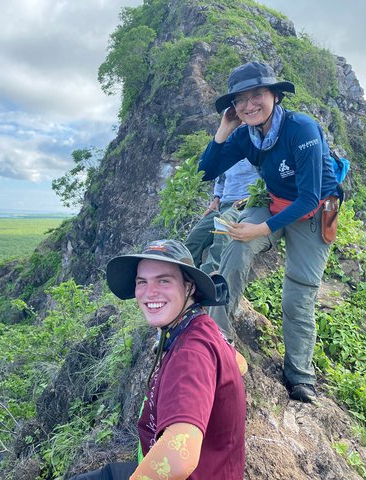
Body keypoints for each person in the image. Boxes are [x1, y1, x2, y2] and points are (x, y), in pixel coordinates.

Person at [198, 61, 341, 403]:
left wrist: (260, 229)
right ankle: (219, 336)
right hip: (275, 201)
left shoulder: (301, 129)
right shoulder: (247, 135)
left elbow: (308, 196)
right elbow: (207, 170)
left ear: (275, 95)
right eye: (240, 100)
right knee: (234, 247)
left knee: (299, 293)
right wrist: (223, 129)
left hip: (315, 209)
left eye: (257, 95)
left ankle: (300, 375)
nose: (249, 105)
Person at [80, 240, 246, 480]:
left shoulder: (190, 354)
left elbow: (178, 460)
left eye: (163, 280)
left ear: (189, 287)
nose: (150, 292)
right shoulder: (200, 327)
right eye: (142, 282)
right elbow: (240, 364)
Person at [184, 158, 259, 274]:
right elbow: (221, 179)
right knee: (195, 237)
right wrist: (216, 198)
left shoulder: (256, 148)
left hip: (246, 204)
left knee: (223, 229)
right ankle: (187, 276)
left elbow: (269, 179)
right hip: (224, 204)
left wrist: (250, 199)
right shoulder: (228, 151)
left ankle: (209, 279)